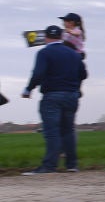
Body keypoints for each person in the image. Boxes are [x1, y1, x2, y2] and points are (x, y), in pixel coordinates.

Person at [20, 25, 88, 174]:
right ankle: (71, 164)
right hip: (71, 95)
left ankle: (49, 166)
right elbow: (83, 74)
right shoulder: (74, 54)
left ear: (46, 37)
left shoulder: (44, 53)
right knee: (68, 130)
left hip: (52, 95)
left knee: (52, 131)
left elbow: (38, 73)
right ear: (61, 37)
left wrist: (28, 89)